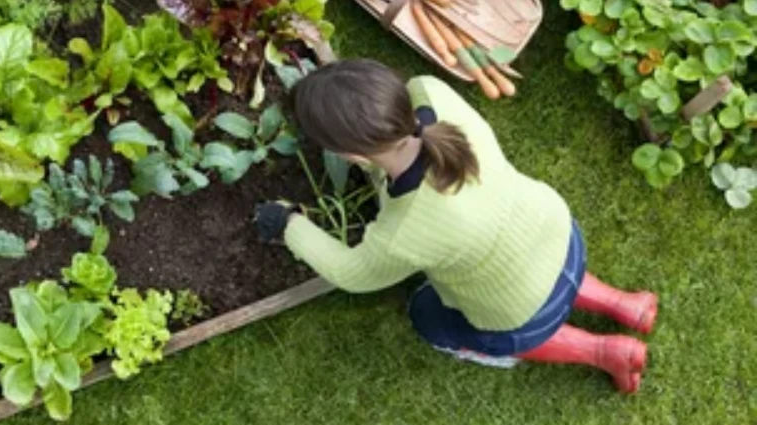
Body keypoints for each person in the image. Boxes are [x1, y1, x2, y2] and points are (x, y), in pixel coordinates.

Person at [254, 59, 658, 393]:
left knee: (427, 316)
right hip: (558, 234)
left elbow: (351, 273)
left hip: (518, 309)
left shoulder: (405, 231)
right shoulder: (431, 93)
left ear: (352, 156)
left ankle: (604, 352)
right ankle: (626, 304)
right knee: (537, 267)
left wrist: (287, 223)